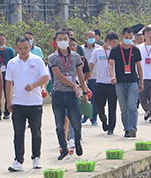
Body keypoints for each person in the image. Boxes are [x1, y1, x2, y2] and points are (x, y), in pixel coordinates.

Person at [6, 36, 49, 171]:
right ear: (16, 49)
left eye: (26, 47)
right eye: (20, 48)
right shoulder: (12, 63)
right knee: (18, 132)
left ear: (30, 46)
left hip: (35, 102)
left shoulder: (37, 60)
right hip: (18, 103)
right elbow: (8, 82)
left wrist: (34, 85)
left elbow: (46, 77)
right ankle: (18, 160)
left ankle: (36, 157)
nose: (23, 50)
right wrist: (8, 100)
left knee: (36, 132)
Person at [47, 30, 87, 160]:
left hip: (72, 94)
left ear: (69, 40)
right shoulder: (52, 57)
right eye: (60, 39)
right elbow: (58, 75)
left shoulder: (75, 56)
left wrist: (84, 91)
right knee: (59, 124)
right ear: (56, 41)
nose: (63, 41)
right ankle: (64, 148)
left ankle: (77, 140)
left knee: (76, 121)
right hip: (58, 93)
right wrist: (74, 85)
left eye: (65, 38)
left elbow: (80, 74)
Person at [109, 26, 143, 138]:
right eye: (126, 37)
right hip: (120, 82)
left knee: (132, 105)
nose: (128, 39)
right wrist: (113, 76)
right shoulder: (115, 50)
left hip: (133, 81)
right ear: (122, 37)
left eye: (130, 37)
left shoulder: (135, 50)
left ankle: (133, 128)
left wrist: (141, 82)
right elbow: (110, 64)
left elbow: (139, 67)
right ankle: (127, 128)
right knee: (124, 108)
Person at [93, 33, 118, 135]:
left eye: (116, 43)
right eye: (113, 42)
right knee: (99, 105)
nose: (114, 44)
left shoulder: (116, 51)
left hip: (112, 83)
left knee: (112, 107)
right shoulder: (97, 51)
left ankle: (111, 127)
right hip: (100, 82)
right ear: (107, 40)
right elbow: (91, 64)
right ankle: (103, 120)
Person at [137, 26, 151, 122]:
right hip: (143, 77)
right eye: (148, 33)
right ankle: (148, 110)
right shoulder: (139, 47)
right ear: (144, 35)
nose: (150, 35)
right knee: (142, 97)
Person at [0, 33, 14, 120]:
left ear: (5, 40)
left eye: (2, 39)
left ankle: (7, 112)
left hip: (7, 77)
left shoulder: (10, 50)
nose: (1, 41)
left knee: (7, 95)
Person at [82, 30, 99, 127]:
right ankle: (85, 115)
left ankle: (93, 118)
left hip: (96, 76)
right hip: (84, 78)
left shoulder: (98, 48)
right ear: (86, 38)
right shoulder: (81, 48)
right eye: (90, 36)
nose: (93, 38)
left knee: (94, 99)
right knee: (85, 97)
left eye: (94, 36)